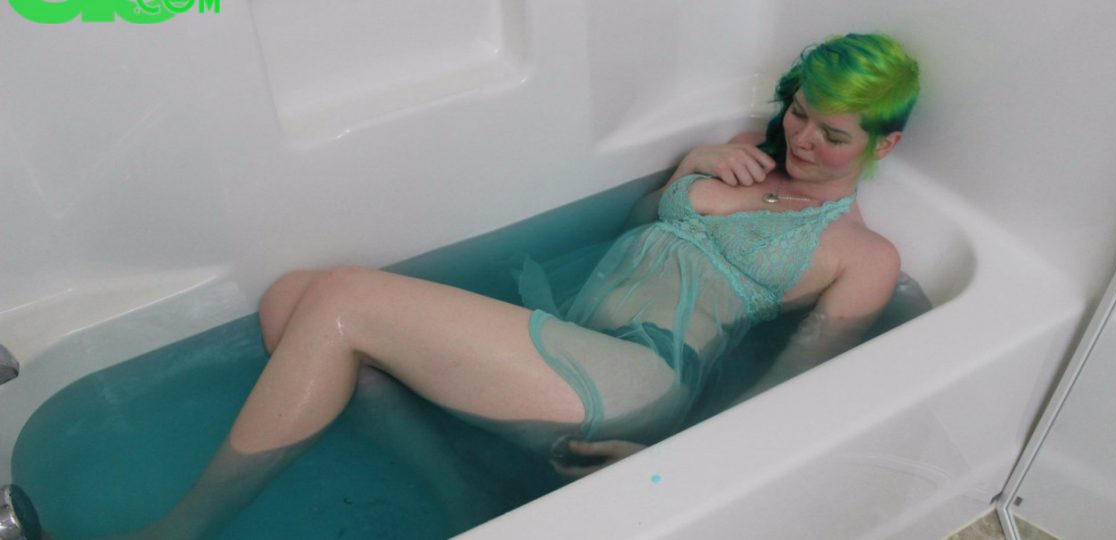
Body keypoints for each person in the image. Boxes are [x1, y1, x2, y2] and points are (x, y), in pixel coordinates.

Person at [112, 32, 920, 538]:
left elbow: (788, 397)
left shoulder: (864, 257)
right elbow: (639, 229)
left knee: (340, 299)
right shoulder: (746, 151)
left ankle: (178, 530)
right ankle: (460, 497)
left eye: (833, 134)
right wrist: (691, 166)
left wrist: (660, 461)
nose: (801, 139)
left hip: (636, 383)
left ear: (883, 145)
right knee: (291, 300)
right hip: (566, 337)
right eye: (800, 112)